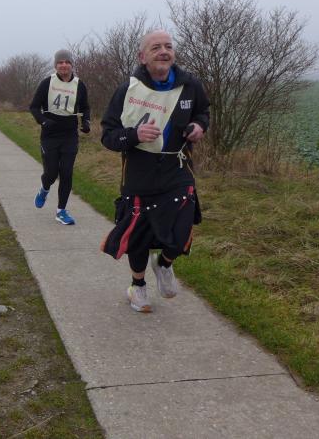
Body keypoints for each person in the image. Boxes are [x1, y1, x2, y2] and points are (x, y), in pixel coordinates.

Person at [100, 30, 210, 313]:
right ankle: (137, 286)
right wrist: (134, 135)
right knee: (139, 234)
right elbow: (108, 136)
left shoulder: (190, 85)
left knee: (183, 224)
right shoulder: (128, 90)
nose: (164, 51)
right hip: (139, 171)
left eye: (168, 47)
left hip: (177, 167)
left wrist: (199, 126)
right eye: (156, 47)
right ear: (142, 57)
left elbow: (203, 112)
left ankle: (164, 263)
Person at [29, 49, 91, 225]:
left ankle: (61, 211)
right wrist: (43, 121)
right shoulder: (47, 83)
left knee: (66, 172)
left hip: (69, 134)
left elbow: (85, 107)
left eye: (67, 62)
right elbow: (34, 107)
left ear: (72, 65)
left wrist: (86, 122)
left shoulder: (79, 85)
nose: (64, 65)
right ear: (56, 65)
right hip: (50, 135)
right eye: (60, 62)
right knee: (51, 173)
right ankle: (44, 188)